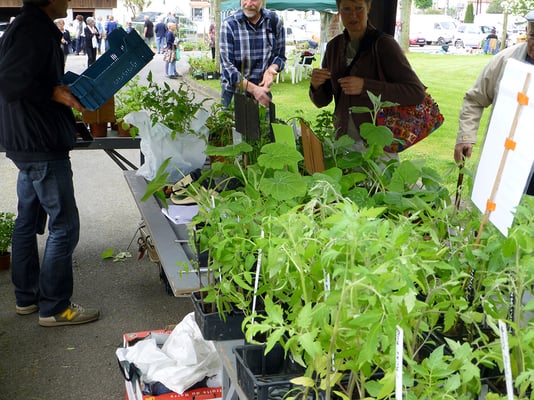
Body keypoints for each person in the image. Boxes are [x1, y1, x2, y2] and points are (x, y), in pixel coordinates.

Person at [0, 0, 100, 327]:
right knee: (65, 226)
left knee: (27, 221)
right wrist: (53, 93)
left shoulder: (25, 26)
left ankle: (27, 298)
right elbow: (11, 82)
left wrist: (57, 95)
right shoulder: (32, 30)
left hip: (27, 140)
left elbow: (25, 79)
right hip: (40, 143)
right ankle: (55, 308)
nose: (69, 1)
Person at [309, 0, 425, 148]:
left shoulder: (384, 44)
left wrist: (365, 86)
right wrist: (316, 86)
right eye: (346, 9)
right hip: (343, 140)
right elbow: (322, 101)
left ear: (368, 8)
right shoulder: (334, 47)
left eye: (359, 8)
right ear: (339, 11)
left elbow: (416, 92)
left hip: (378, 144)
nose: (353, 15)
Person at [454, 11, 534, 196]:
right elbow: (475, 99)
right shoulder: (506, 60)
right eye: (533, 35)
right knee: (497, 205)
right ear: (526, 31)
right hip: (506, 156)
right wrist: (466, 136)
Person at [219, 0, 286, 108]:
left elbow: (280, 56)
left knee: (264, 120)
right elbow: (227, 68)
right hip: (233, 96)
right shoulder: (229, 24)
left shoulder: (274, 21)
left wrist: (271, 69)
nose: (249, 3)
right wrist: (254, 90)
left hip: (263, 95)